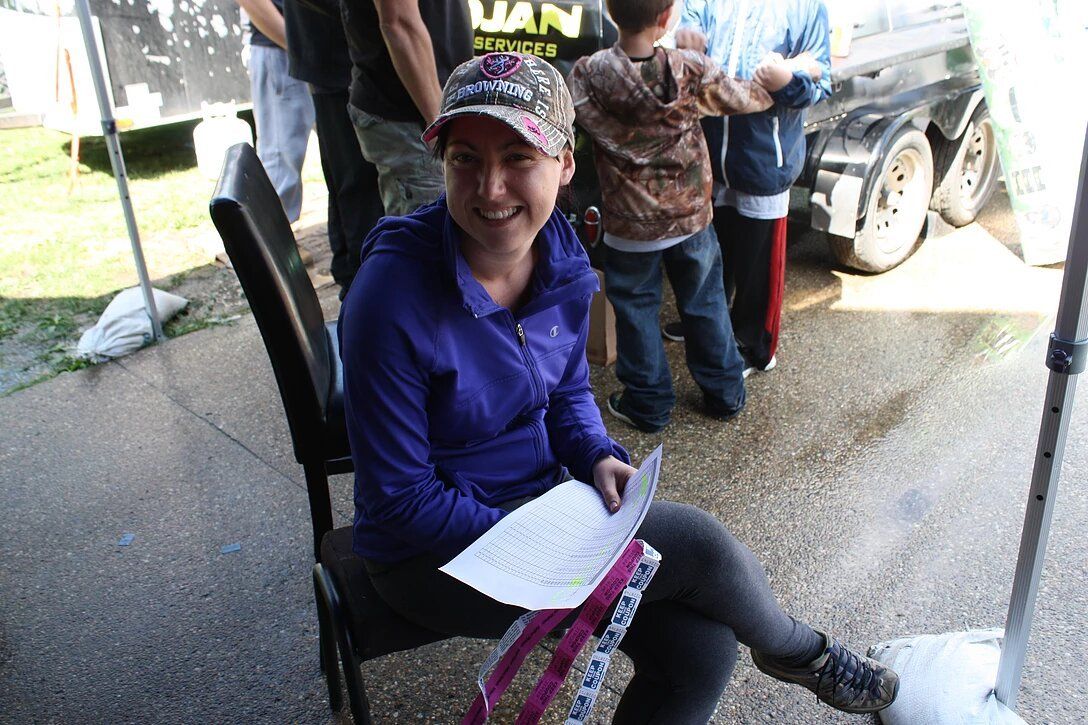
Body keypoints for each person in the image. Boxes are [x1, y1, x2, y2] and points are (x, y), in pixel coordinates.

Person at [338, 52, 898, 721]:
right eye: (465, 158)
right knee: (697, 544)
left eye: (520, 156)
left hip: (535, 504)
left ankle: (785, 648)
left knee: (701, 649)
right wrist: (548, 540)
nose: (490, 188)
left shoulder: (561, 251)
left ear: (566, 164)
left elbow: (567, 389)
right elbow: (401, 501)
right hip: (432, 556)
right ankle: (801, 651)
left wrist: (595, 452)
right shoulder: (390, 295)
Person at [568, 0, 777, 433]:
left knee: (637, 310)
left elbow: (572, 115)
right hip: (690, 219)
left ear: (610, 12)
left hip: (629, 225)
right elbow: (743, 98)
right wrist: (776, 85)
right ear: (667, 18)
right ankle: (725, 393)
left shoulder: (589, 73)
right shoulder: (690, 69)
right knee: (706, 302)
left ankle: (647, 405)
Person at [664, 0, 833, 379]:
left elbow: (823, 80)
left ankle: (755, 345)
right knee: (711, 251)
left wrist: (788, 83)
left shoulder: (805, 6)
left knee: (757, 265)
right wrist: (684, 39)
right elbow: (687, 35)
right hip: (708, 157)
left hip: (763, 162)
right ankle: (709, 322)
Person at [282, 0, 384, 298]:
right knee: (357, 184)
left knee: (349, 184)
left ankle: (353, 280)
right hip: (343, 58)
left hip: (347, 56)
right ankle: (362, 288)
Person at [338, 0, 472, 216]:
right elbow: (399, 23)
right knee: (426, 235)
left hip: (425, 111)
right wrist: (439, 124)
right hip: (411, 116)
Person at [237, 0, 315, 223]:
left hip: (311, 49)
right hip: (278, 48)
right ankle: (261, 252)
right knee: (280, 162)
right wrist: (296, 44)